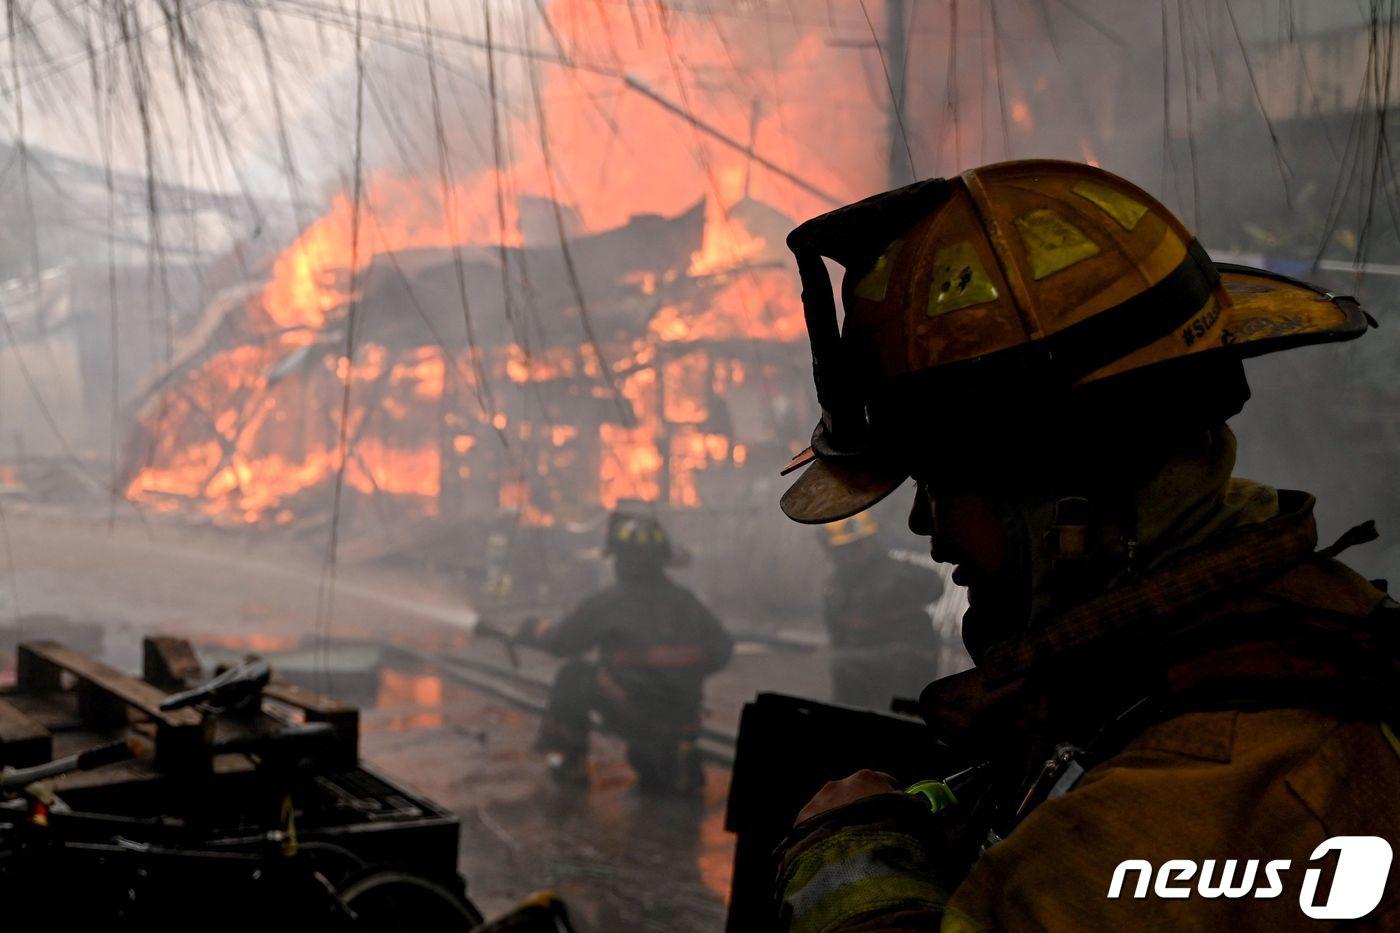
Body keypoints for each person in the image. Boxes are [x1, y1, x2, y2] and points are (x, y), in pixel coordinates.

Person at [770, 161, 1399, 929]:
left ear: (1065, 489)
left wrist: (852, 859)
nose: (923, 530)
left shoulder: (1188, 795)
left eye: (938, 484)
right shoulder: (1244, 647)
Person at [525, 509, 732, 794]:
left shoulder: (609, 603)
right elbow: (722, 650)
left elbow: (563, 643)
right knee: (652, 769)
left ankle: (568, 762)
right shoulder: (688, 602)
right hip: (684, 719)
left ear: (619, 559)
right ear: (662, 559)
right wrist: (680, 677)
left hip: (635, 714)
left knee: (573, 676)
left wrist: (536, 631)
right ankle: (675, 756)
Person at [819, 513, 945, 708]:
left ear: (869, 543)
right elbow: (837, 632)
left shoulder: (897, 574)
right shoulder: (836, 587)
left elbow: (935, 586)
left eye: (856, 546)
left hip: (905, 662)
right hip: (862, 665)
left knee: (844, 666)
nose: (849, 554)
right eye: (842, 550)